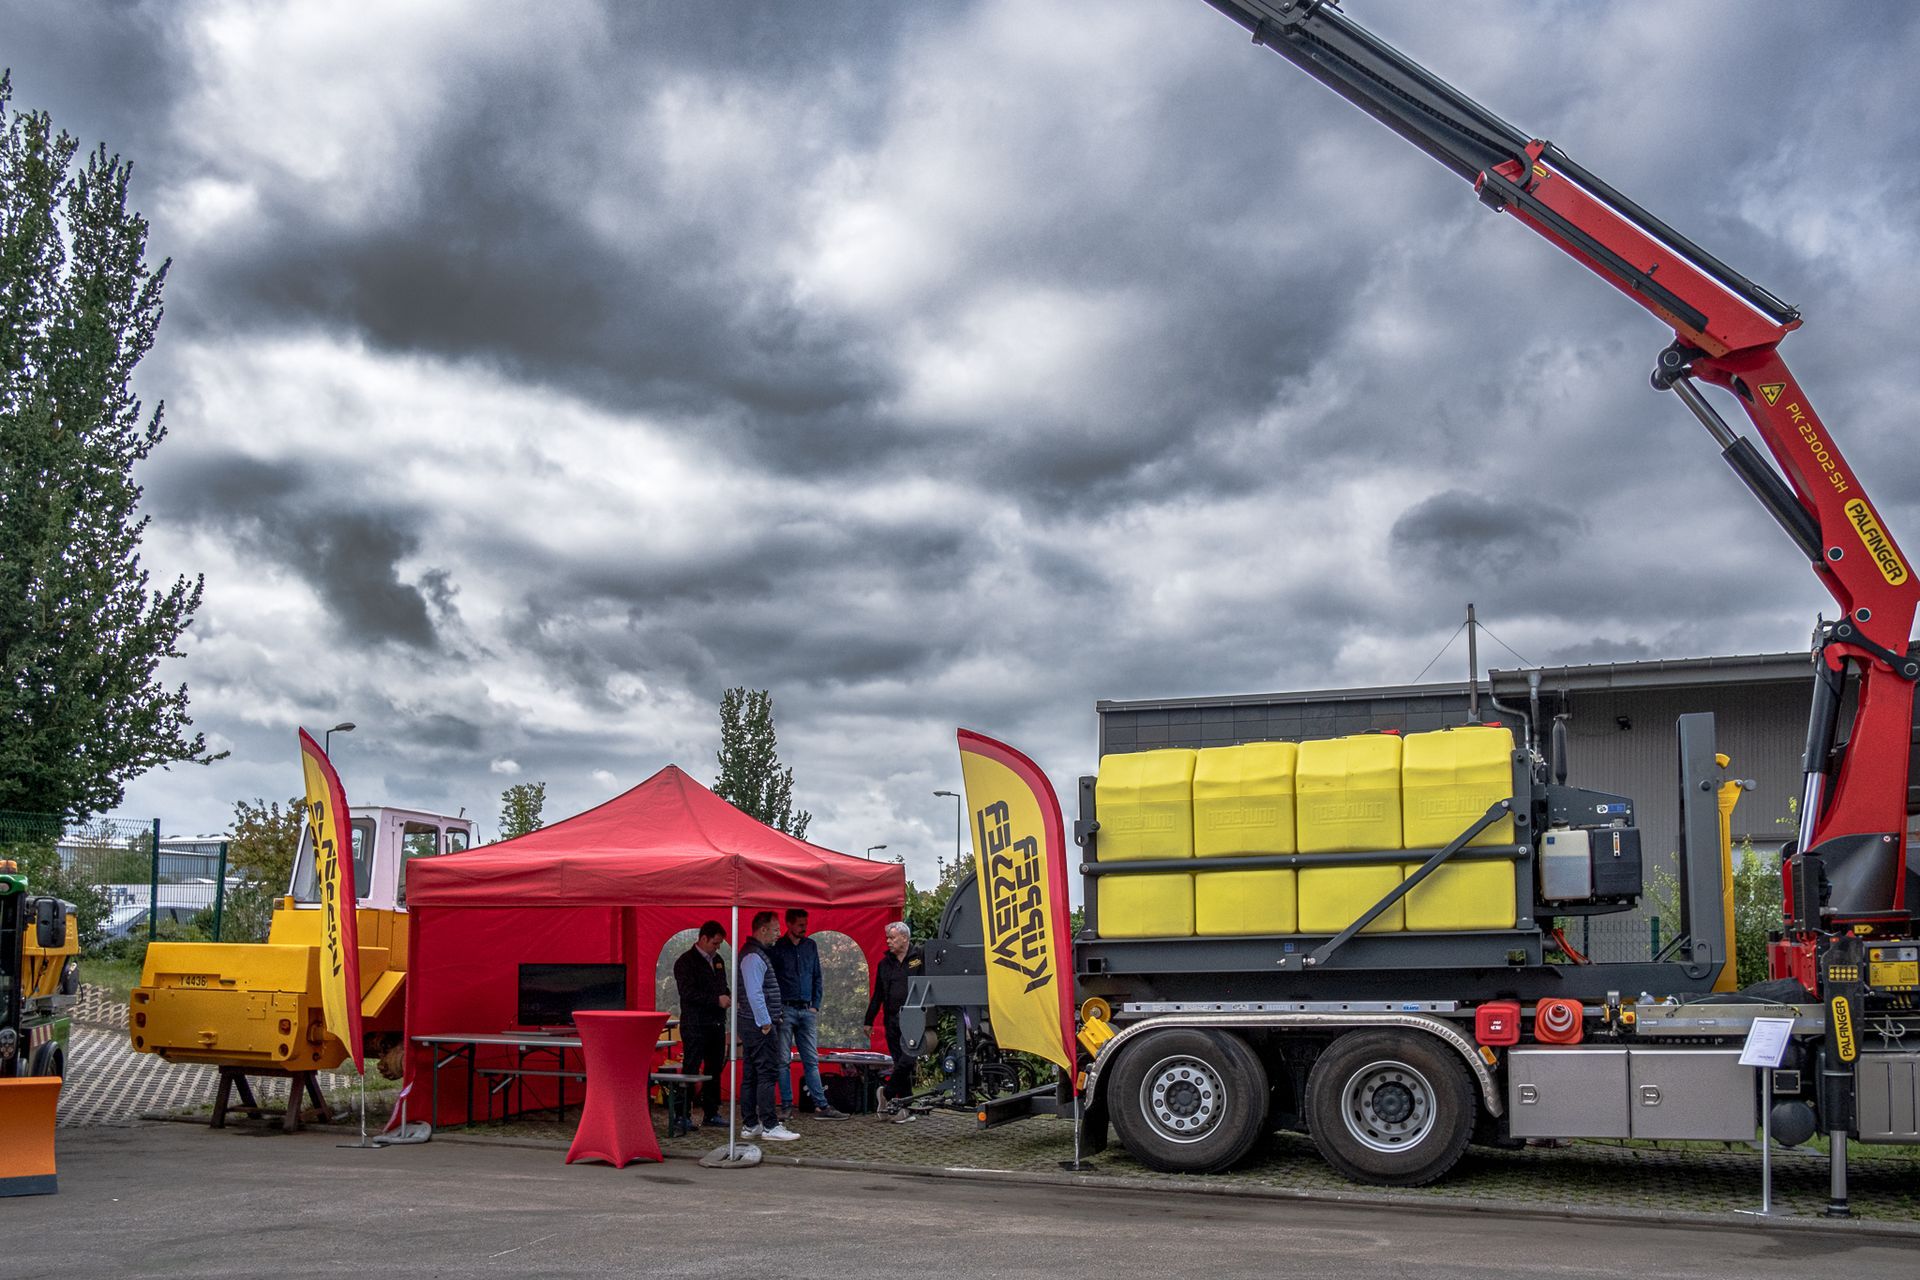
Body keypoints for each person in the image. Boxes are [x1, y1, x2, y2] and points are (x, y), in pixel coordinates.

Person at [771, 908, 848, 1120]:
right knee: (783, 1060)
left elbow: (817, 976)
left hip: (806, 1009)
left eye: (805, 924)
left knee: (811, 1060)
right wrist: (777, 1007)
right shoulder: (777, 948)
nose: (804, 928)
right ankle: (787, 1105)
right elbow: (771, 979)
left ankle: (821, 1105)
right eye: (800, 925)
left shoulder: (810, 945)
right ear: (789, 924)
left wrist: (815, 1005)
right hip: (786, 1008)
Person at [736, 910, 799, 1142]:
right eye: (775, 929)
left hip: (750, 1022)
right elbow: (755, 994)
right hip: (758, 1024)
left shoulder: (754, 954)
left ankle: (751, 1124)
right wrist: (765, 1022)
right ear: (762, 930)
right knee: (766, 1073)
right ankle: (770, 1125)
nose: (778, 934)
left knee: (752, 1073)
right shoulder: (754, 957)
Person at [671, 920, 731, 1127]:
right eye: (715, 943)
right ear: (703, 938)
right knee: (691, 1067)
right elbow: (688, 993)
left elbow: (723, 986)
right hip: (695, 1024)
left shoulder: (718, 961)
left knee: (714, 1068)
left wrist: (728, 996)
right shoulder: (685, 962)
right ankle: (682, 1114)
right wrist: (716, 1000)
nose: (717, 947)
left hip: (716, 1023)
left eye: (719, 944)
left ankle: (711, 1112)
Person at [863, 920, 923, 1123]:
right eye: (887, 938)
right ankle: (905, 1108)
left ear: (904, 938)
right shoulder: (885, 964)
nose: (888, 941)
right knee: (899, 1063)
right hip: (892, 1020)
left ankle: (886, 1094)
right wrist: (869, 1020)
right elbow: (878, 994)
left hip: (914, 1018)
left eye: (892, 938)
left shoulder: (919, 958)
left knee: (908, 1060)